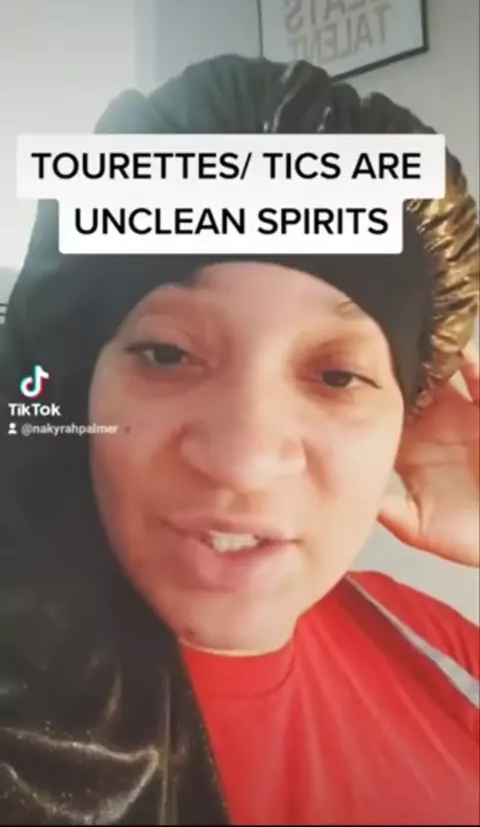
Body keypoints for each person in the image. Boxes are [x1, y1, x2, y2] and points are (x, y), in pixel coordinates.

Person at [0, 55, 478, 826]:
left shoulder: (440, 648)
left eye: (337, 376)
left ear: (408, 416)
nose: (244, 461)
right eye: (166, 354)